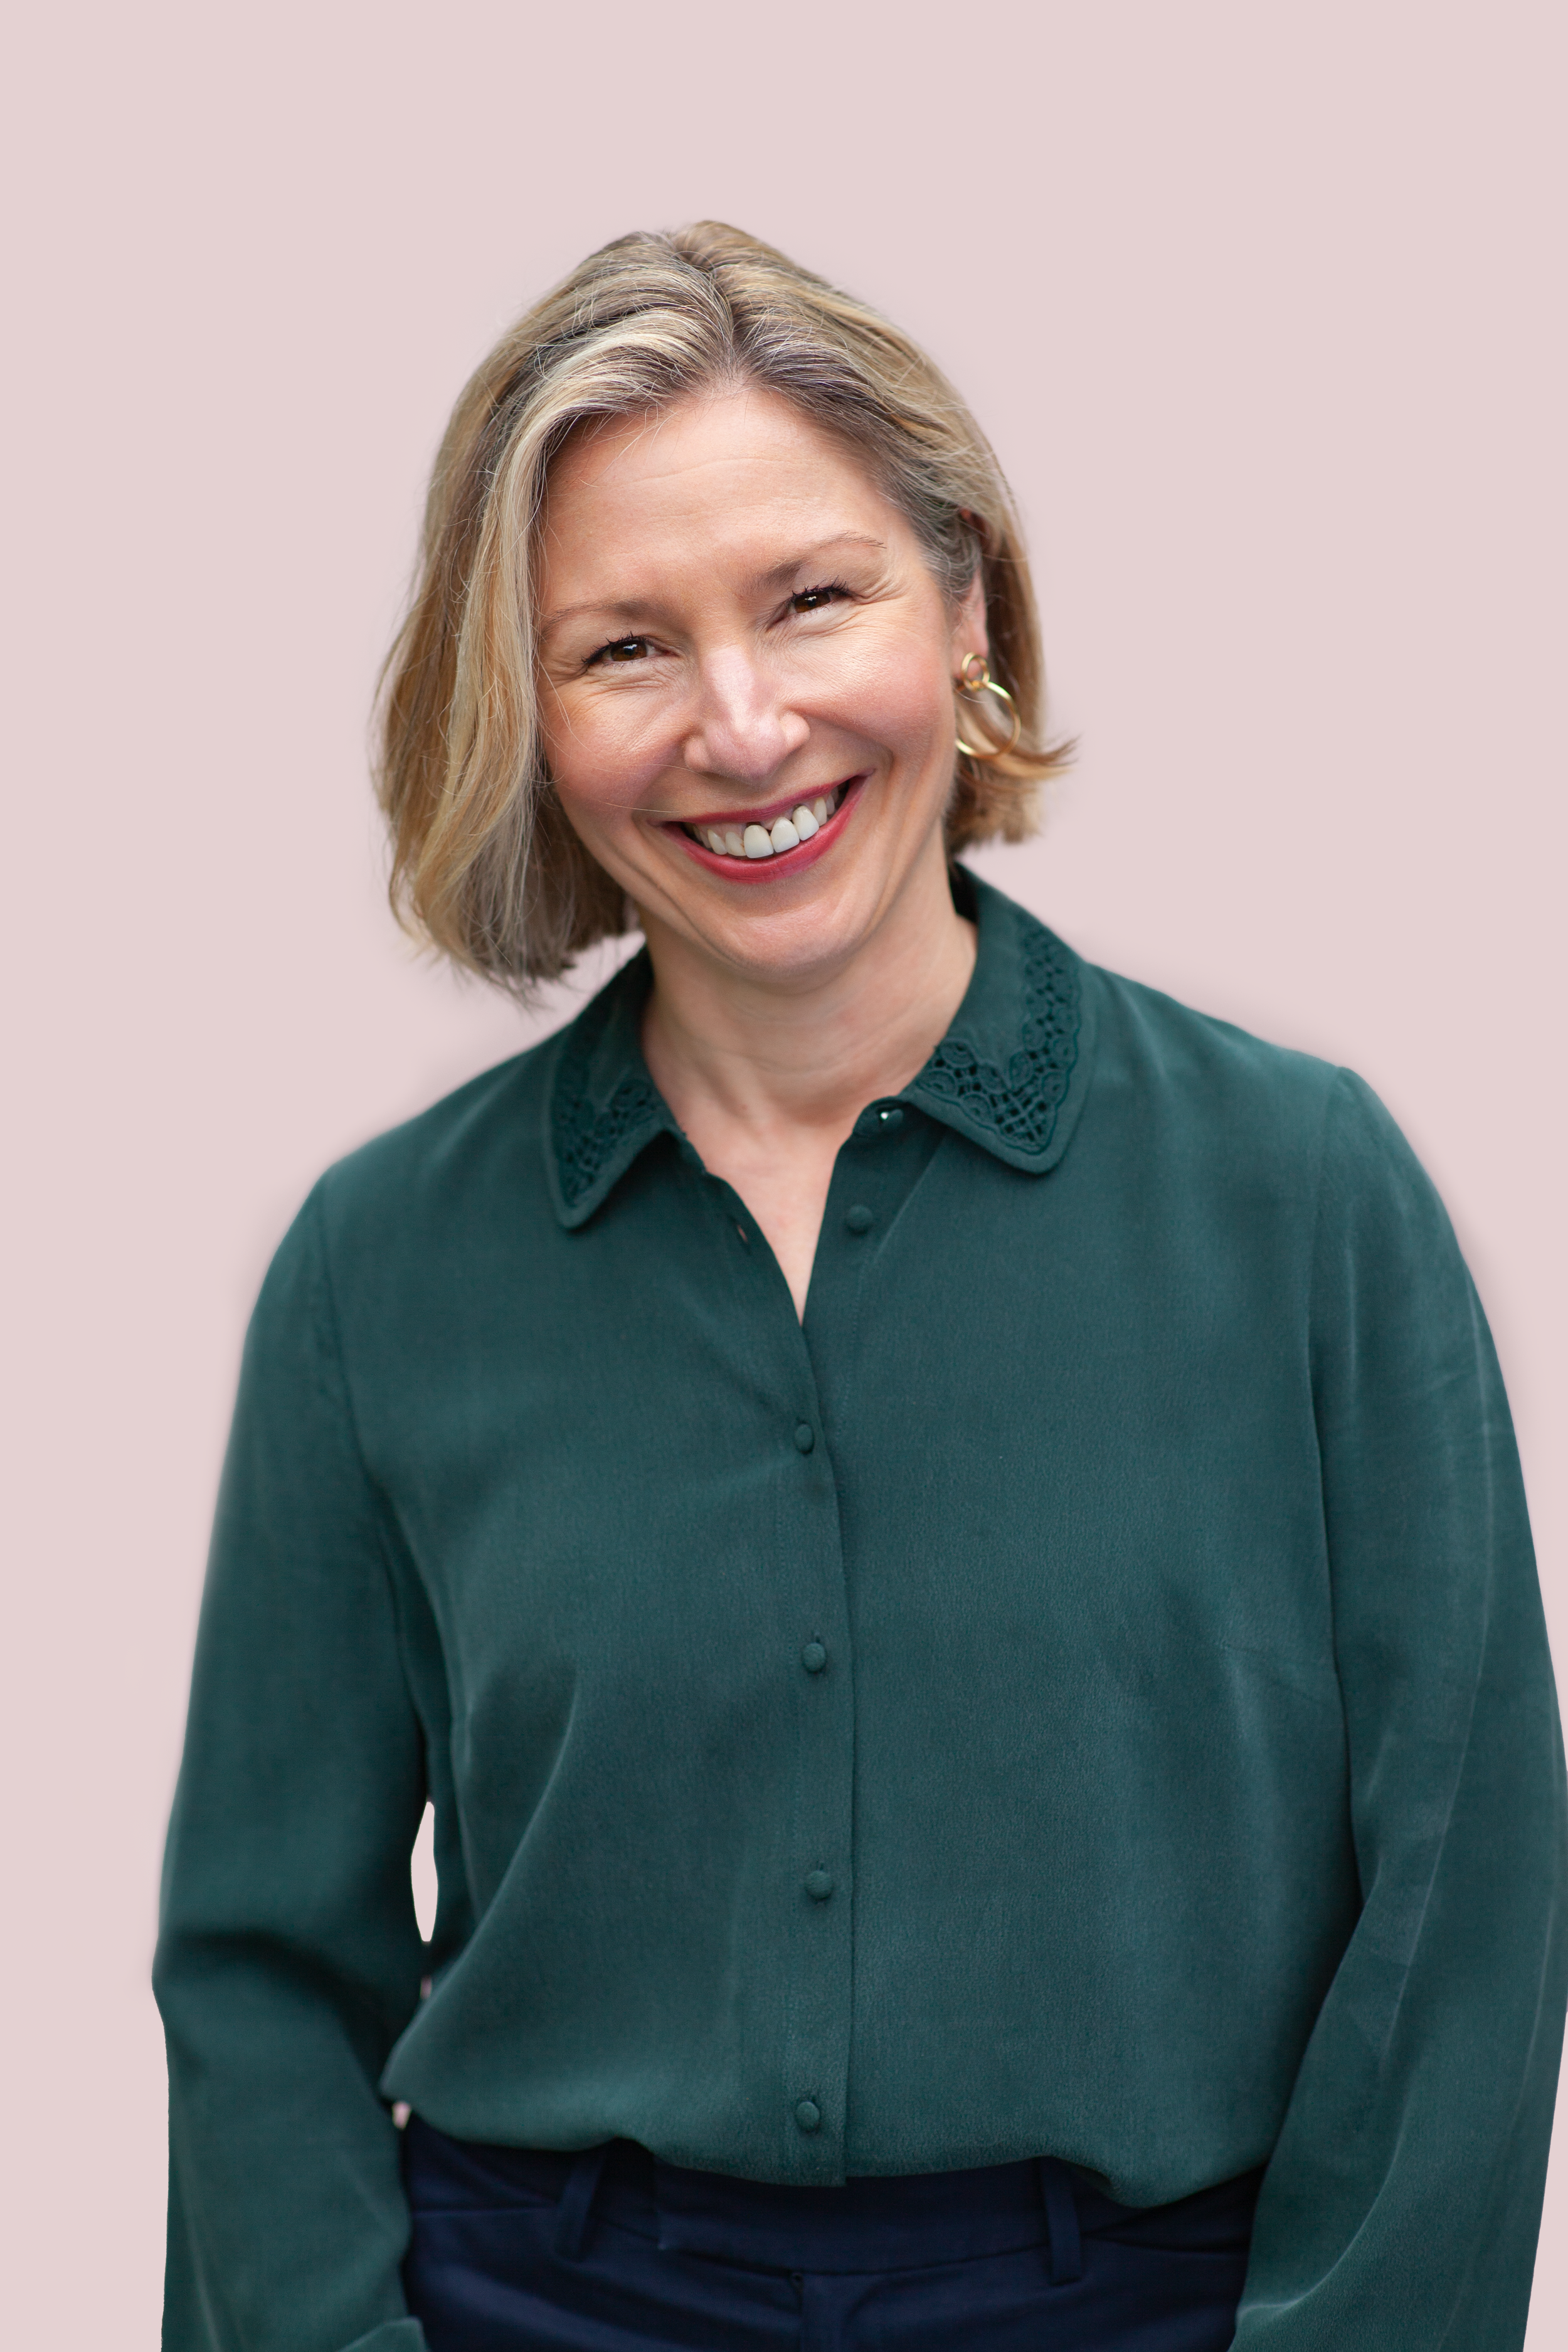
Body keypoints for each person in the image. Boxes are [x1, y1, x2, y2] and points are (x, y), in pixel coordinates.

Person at [154, 222, 1566, 2352]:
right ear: (523, 716)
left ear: (965, 607)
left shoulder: (1304, 1199)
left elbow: (1465, 1911)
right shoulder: (380, 1271)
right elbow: (264, 1967)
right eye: (622, 648)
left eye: (812, 597)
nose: (743, 722)